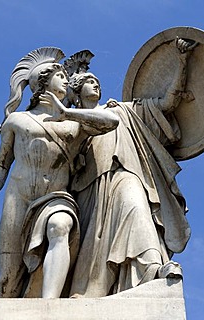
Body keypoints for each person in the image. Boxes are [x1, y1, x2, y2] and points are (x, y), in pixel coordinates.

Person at [0, 47, 119, 298]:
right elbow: (0, 166)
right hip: (17, 199)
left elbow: (111, 123)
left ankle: (49, 306)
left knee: (60, 227)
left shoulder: (73, 122)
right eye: (60, 75)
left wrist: (67, 112)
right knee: (10, 280)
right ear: (43, 82)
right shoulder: (16, 121)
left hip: (56, 196)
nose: (66, 80)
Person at [67, 38, 195, 297]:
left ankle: (151, 269)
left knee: (136, 207)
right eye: (90, 81)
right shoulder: (71, 124)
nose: (96, 84)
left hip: (125, 175)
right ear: (77, 92)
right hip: (89, 190)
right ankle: (99, 290)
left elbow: (168, 103)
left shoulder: (124, 111)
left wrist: (182, 61)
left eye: (98, 82)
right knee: (93, 247)